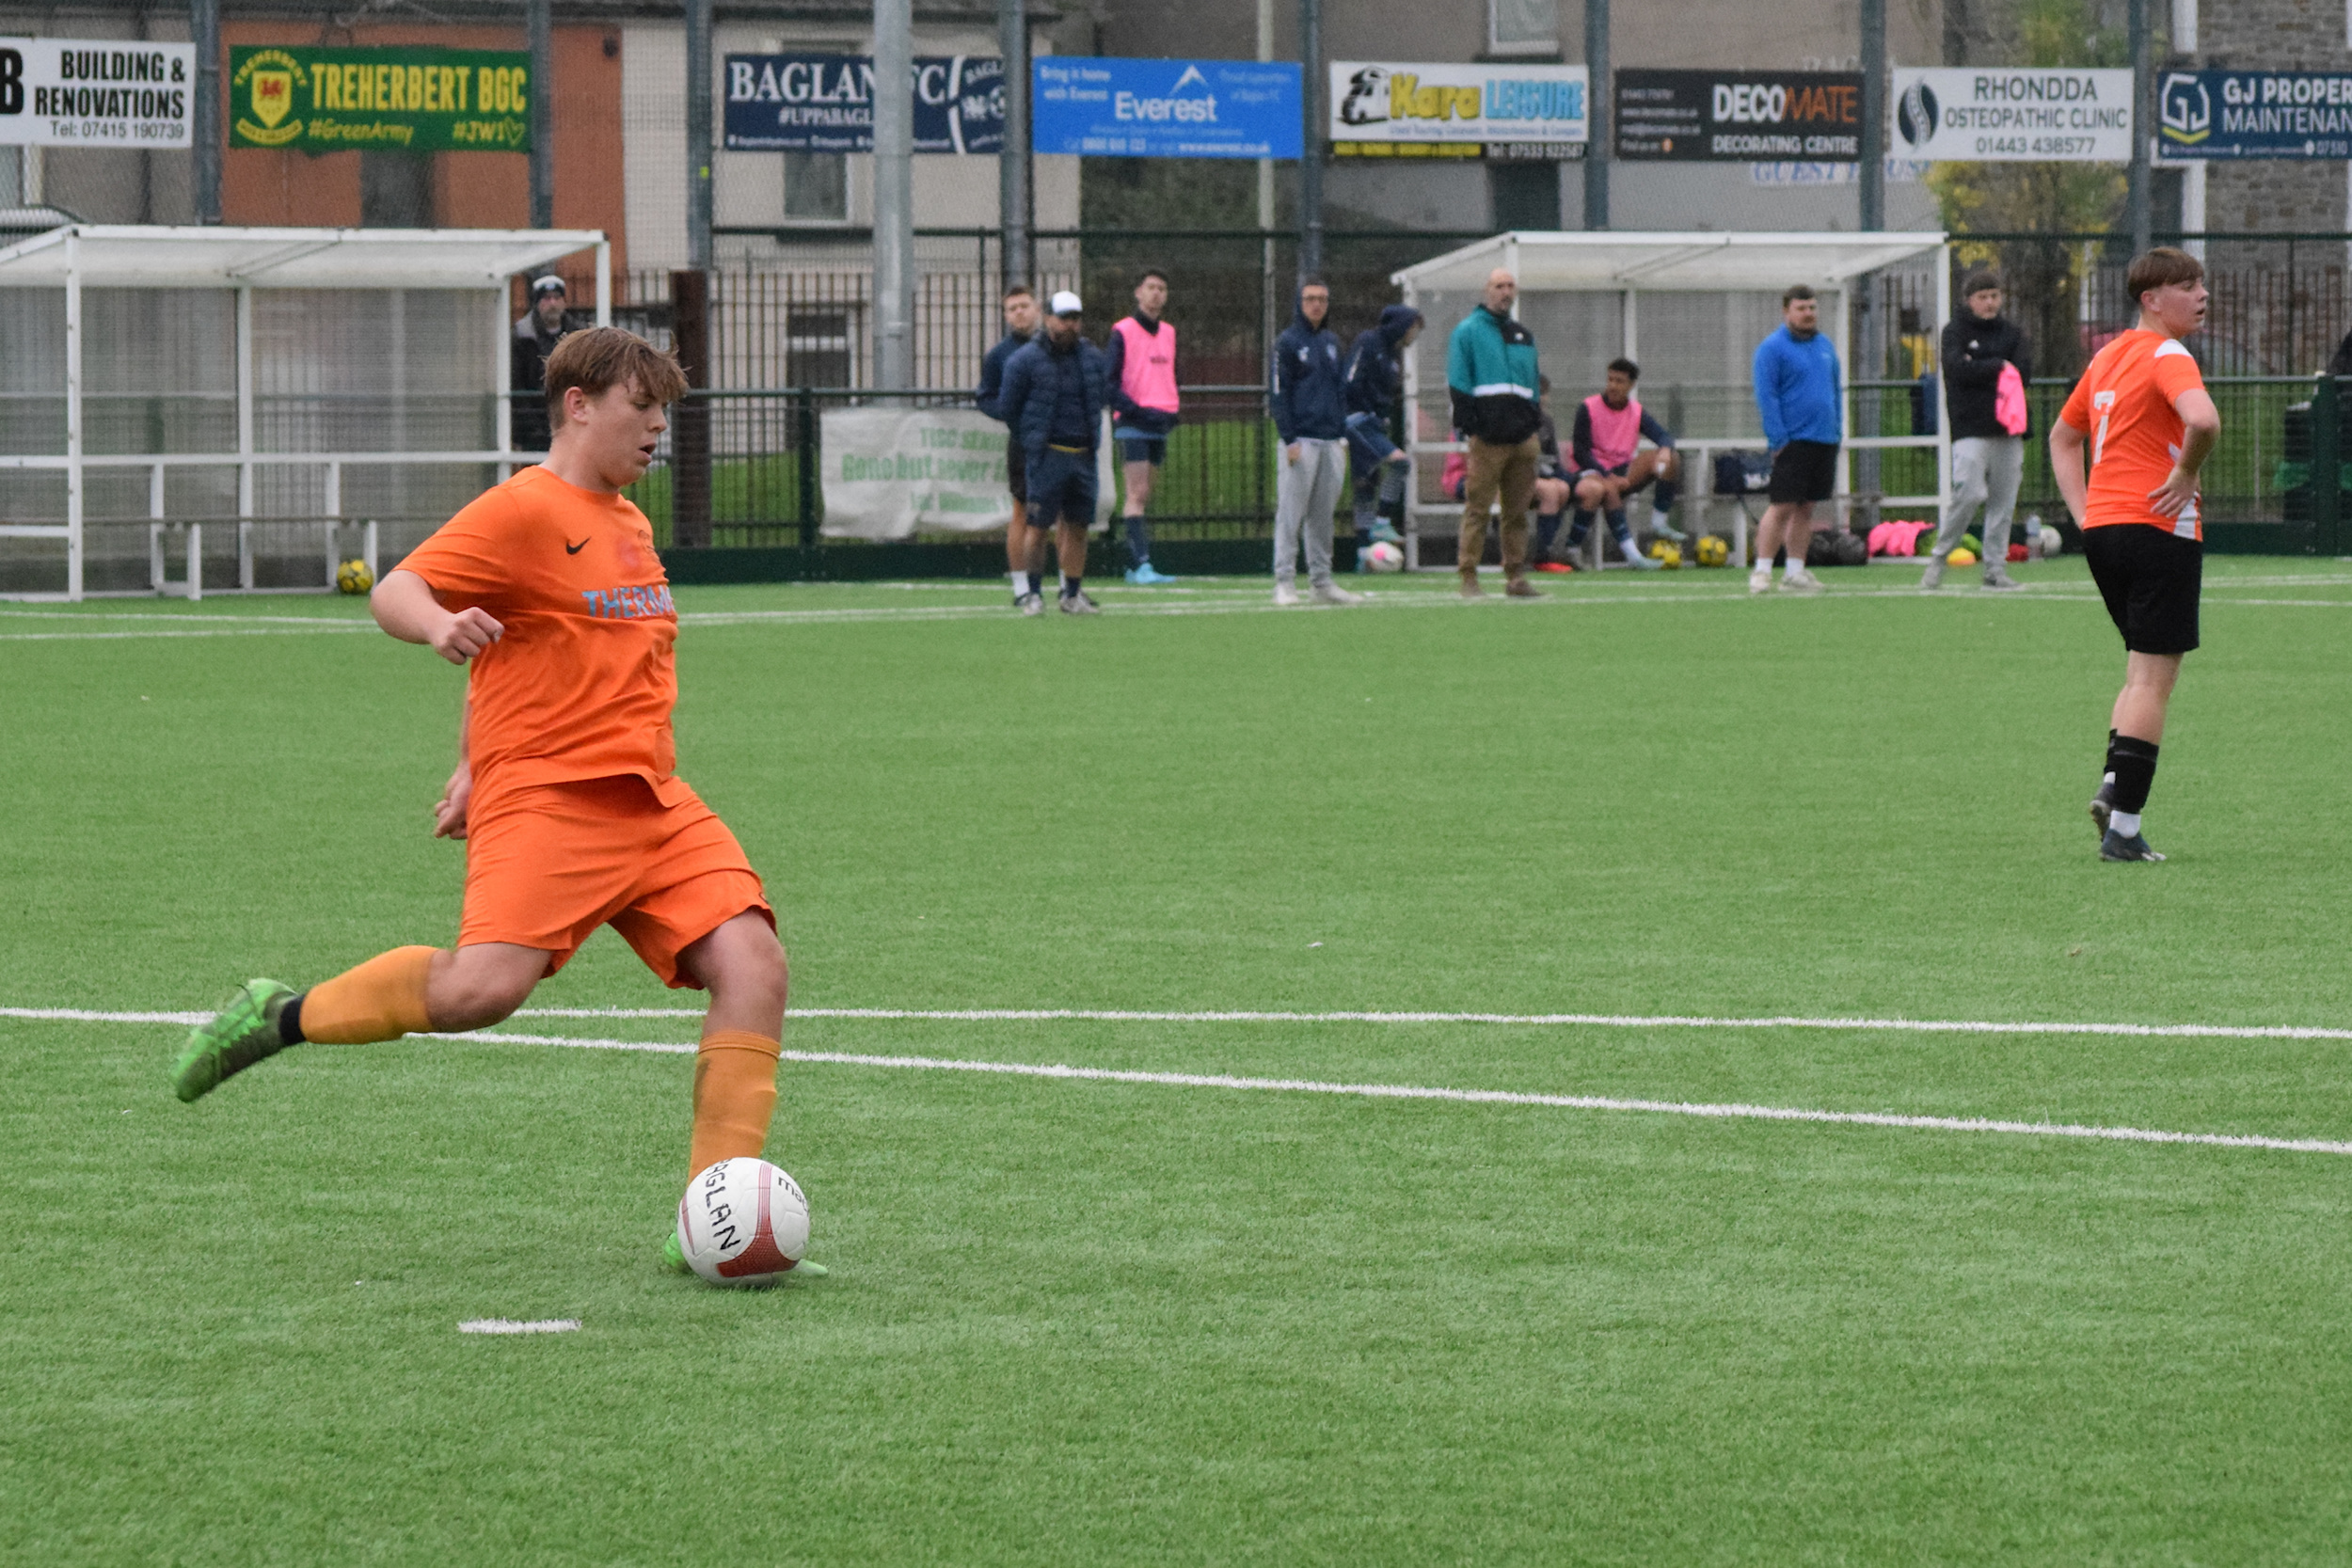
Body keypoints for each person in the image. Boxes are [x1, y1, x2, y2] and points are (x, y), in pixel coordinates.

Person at [171, 326, 817, 1277]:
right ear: (579, 404)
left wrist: (472, 755)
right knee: (481, 992)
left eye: (666, 412)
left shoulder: (629, 521)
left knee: (754, 963)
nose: (656, 430)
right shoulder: (523, 508)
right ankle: (281, 1014)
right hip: (552, 799)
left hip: (652, 796)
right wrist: (438, 625)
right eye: (642, 407)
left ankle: (718, 1209)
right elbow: (399, 587)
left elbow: (548, 657)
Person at [2049, 246, 2219, 863]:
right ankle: (2123, 828)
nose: (2201, 294)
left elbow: (2063, 436)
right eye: (2186, 285)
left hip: (2106, 532)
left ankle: (2114, 783)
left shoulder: (2107, 355)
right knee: (2152, 678)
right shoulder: (2167, 354)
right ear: (2151, 299)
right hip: (2157, 528)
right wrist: (2185, 471)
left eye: (2201, 283)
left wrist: (2084, 511)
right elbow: (2204, 419)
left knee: (2137, 671)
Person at [999, 291, 1109, 615]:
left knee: (1077, 527)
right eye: (1063, 318)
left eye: (1075, 318)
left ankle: (1071, 595)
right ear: (1047, 318)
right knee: (1037, 525)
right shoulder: (1024, 360)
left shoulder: (1092, 357)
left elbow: (1101, 395)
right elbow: (1009, 407)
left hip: (1083, 454)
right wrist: (1033, 440)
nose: (1070, 325)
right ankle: (1033, 594)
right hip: (1047, 455)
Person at [1926, 269, 2031, 591]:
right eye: (1983, 297)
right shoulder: (1954, 331)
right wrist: (1998, 365)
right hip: (1970, 428)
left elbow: (2023, 373)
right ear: (1969, 300)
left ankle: (1995, 570)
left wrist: (1982, 364)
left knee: (2003, 501)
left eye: (1994, 296)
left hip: (2009, 430)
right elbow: (1958, 369)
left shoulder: (2012, 333)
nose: (1990, 303)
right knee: (1969, 493)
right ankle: (1939, 558)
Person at [1444, 266, 1545, 599]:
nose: (1505, 292)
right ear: (1487, 291)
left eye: (1510, 286)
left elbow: (1532, 385)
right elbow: (1459, 383)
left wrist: (1532, 425)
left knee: (1517, 513)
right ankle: (1468, 576)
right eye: (1499, 286)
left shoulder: (1523, 335)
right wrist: (1474, 427)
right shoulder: (1467, 332)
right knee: (1478, 509)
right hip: (1488, 440)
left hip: (1521, 439)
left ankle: (1516, 576)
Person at [1269, 277, 1364, 607]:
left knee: (1323, 515)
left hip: (1331, 440)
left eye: (1322, 299)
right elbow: (1279, 392)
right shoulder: (1287, 342)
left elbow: (1339, 391)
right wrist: (1288, 437)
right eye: (1310, 298)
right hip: (1301, 440)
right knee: (1291, 513)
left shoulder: (1331, 342)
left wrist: (1341, 436)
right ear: (1299, 301)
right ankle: (1284, 582)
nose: (1317, 305)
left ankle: (1321, 581)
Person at [1749, 284, 1843, 594]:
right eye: (1802, 308)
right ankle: (1762, 571)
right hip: (1793, 440)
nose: (1808, 314)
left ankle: (1795, 572)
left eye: (1812, 308)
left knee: (1806, 508)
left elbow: (1834, 392)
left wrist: (1837, 430)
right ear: (1786, 311)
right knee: (1782, 506)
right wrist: (1779, 439)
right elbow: (1767, 396)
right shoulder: (1772, 348)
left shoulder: (1826, 346)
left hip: (1824, 439)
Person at [1563, 359, 1682, 571]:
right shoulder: (1588, 407)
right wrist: (1606, 473)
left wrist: (1664, 449)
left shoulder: (1636, 411)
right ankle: (1632, 555)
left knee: (1672, 458)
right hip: (1592, 471)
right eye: (1610, 379)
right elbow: (1581, 452)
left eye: (1619, 381)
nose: (1613, 386)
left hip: (1623, 471)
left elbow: (1663, 435)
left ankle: (1659, 522)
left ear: (1631, 385)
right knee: (1606, 488)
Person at [1104, 268, 1180, 585]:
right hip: (1134, 422)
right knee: (1136, 491)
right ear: (1138, 292)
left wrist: (1172, 410)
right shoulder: (1122, 331)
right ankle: (1141, 564)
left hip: (1159, 421)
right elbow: (1108, 383)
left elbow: (1169, 375)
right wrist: (1133, 409)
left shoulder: (1169, 333)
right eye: (1150, 287)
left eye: (1161, 288)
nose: (1156, 294)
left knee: (1145, 493)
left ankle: (1138, 564)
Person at [977, 284, 1045, 614]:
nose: (1019, 312)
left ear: (1038, 308)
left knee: (1060, 513)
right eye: (1012, 308)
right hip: (1023, 443)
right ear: (1005, 315)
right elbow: (986, 397)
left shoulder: (1056, 347)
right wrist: (1010, 411)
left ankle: (1066, 585)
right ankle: (1021, 586)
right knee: (1021, 512)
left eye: (1024, 305)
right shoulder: (999, 355)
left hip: (1058, 443)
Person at [1343, 305, 1422, 548]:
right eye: (1414, 329)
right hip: (1357, 420)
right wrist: (1367, 411)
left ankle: (1364, 552)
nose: (1415, 335)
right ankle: (1383, 521)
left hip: (1375, 422)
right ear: (1402, 327)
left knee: (1365, 484)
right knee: (1401, 463)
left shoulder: (1392, 353)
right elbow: (1350, 380)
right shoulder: (1368, 342)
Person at [509, 275, 569, 452]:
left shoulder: (577, 334)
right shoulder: (522, 336)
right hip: (533, 428)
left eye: (557, 298)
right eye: (546, 298)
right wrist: (532, 428)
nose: (552, 303)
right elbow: (516, 382)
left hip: (570, 423)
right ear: (537, 303)